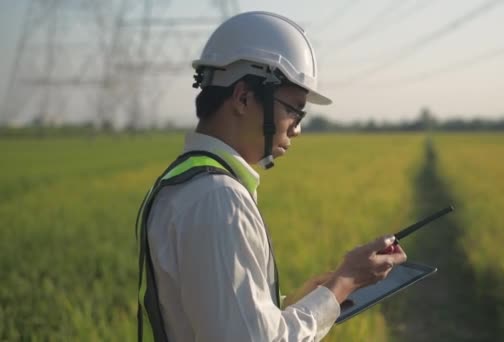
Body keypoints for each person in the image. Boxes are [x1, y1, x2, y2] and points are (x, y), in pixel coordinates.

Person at [136, 11, 407, 341]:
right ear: (243, 98)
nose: (298, 128)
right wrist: (345, 281)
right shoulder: (219, 199)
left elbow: (223, 320)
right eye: (293, 108)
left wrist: (307, 299)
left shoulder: (189, 181)